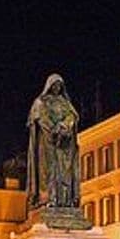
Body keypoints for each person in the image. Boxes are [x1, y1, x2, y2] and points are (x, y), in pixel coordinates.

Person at [26, 74, 81, 209]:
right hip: (47, 142)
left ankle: (64, 200)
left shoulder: (65, 102)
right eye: (54, 85)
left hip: (64, 143)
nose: (57, 88)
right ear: (49, 86)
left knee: (65, 171)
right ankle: (47, 198)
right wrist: (53, 129)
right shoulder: (41, 102)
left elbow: (72, 116)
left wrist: (64, 126)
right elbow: (40, 117)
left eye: (59, 85)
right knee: (48, 170)